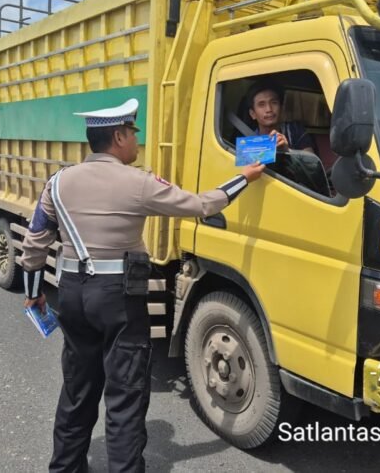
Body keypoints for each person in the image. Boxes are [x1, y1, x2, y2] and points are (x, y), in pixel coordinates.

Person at [18, 97, 265, 473]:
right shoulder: (138, 183)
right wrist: (244, 177)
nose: (137, 141)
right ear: (118, 136)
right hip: (118, 296)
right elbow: (201, 205)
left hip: (71, 295)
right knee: (125, 395)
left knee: (77, 389)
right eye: (133, 133)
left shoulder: (58, 181)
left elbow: (35, 242)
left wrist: (33, 293)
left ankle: (65, 467)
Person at [246, 81, 315, 153]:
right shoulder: (248, 142)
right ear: (252, 114)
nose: (269, 109)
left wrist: (287, 151)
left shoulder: (295, 130)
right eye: (261, 105)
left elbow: (311, 162)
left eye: (274, 103)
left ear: (281, 108)